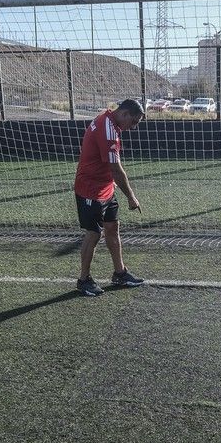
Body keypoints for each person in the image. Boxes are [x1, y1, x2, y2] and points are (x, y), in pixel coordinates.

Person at [74, 98, 146, 297]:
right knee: (94, 233)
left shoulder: (109, 121)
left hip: (105, 188)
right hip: (90, 189)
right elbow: (115, 168)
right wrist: (131, 197)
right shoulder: (108, 130)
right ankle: (83, 280)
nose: (133, 128)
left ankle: (120, 273)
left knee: (112, 228)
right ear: (124, 114)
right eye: (133, 122)